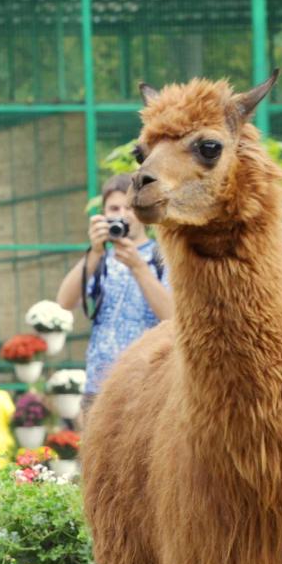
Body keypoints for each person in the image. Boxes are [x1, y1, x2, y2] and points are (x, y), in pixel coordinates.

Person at [54, 174, 175, 410]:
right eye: (114, 208)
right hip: (98, 386)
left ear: (142, 214)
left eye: (129, 207)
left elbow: (173, 317)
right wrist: (95, 253)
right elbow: (64, 302)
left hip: (146, 385)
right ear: (103, 215)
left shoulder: (160, 258)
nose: (121, 215)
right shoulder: (99, 260)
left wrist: (139, 268)